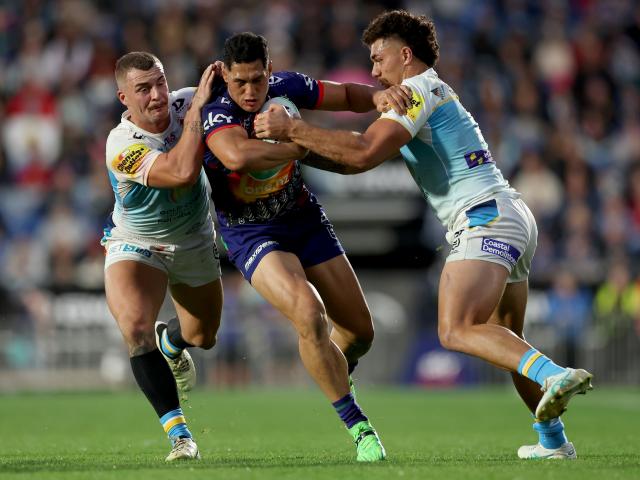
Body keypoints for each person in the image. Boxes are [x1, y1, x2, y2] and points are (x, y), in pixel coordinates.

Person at [254, 10, 594, 460]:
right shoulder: (430, 90)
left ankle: (553, 373)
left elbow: (362, 152)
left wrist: (293, 129)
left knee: (455, 329)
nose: (374, 72)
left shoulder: (415, 89)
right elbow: (357, 158)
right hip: (510, 214)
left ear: (405, 55)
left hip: (483, 217)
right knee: (508, 337)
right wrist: (298, 152)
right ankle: (554, 442)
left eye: (378, 59)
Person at [201, 32, 411, 462]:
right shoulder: (215, 110)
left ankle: (327, 367)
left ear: (269, 71)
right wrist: (301, 143)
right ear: (225, 74)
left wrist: (379, 96)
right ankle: (359, 427)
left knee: (360, 333)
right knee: (308, 312)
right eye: (239, 81)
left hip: (302, 218)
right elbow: (237, 157)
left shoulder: (285, 89)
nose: (249, 90)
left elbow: (347, 93)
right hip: (251, 232)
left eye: (257, 80)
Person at [103, 52, 223, 461]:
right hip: (136, 242)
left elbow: (254, 88)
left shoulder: (187, 101)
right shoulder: (121, 145)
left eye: (160, 83)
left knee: (203, 336)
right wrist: (197, 113)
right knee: (135, 327)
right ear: (124, 97)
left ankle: (170, 341)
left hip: (192, 239)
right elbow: (181, 171)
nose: (157, 96)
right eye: (143, 89)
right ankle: (181, 436)